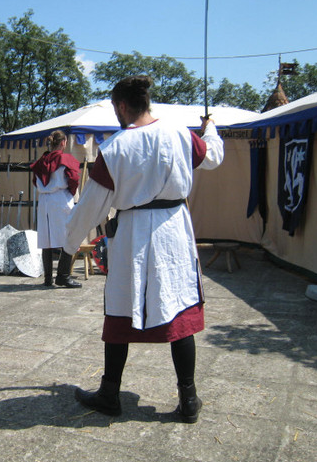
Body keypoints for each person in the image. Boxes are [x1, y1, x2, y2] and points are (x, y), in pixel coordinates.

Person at [63, 75, 224, 423]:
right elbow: (212, 155)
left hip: (134, 235)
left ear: (122, 106)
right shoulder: (182, 134)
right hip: (174, 231)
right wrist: (209, 129)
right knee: (178, 308)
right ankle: (189, 398)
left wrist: (69, 243)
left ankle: (110, 393)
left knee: (121, 305)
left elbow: (91, 204)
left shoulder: (117, 148)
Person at [30, 129, 82, 288]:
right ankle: (63, 276)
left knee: (46, 238)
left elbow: (34, 180)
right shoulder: (66, 159)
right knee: (68, 237)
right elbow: (73, 179)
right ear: (63, 142)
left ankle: (48, 279)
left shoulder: (40, 161)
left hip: (44, 200)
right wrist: (70, 193)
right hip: (60, 198)